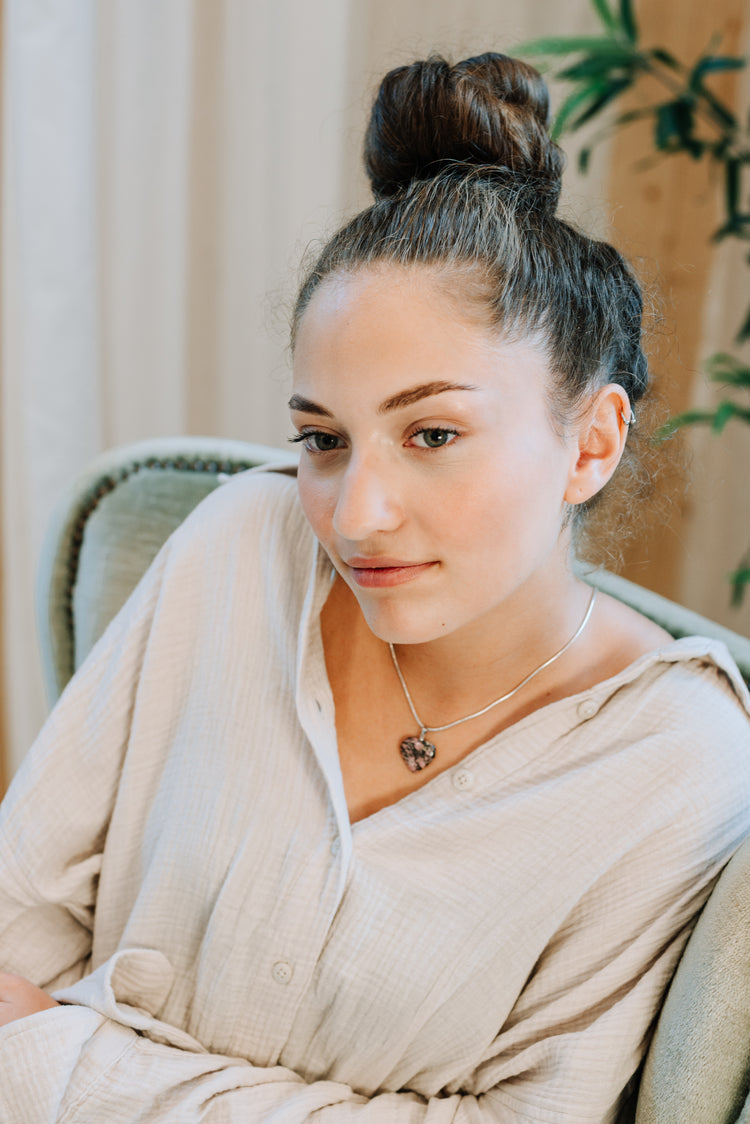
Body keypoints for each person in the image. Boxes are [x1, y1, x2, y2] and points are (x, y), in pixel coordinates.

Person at [0, 51, 749, 1124]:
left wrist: (55, 1063)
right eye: (323, 438)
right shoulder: (240, 545)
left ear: (592, 441)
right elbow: (18, 913)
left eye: (432, 433)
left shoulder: (678, 766)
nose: (353, 514)